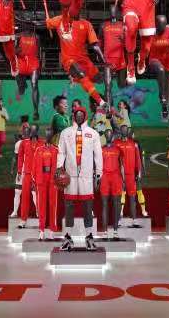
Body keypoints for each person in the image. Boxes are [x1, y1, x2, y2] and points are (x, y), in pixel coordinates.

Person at [57, 105, 103, 251]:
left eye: (81, 115)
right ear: (73, 116)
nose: (78, 117)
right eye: (76, 115)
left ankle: (89, 237)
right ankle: (67, 237)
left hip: (86, 175)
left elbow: (98, 154)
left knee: (87, 206)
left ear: (85, 116)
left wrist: (99, 173)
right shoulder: (65, 133)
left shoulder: (93, 133)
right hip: (70, 175)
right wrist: (59, 168)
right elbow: (61, 152)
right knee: (69, 205)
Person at [45, 13, 108, 106]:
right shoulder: (60, 19)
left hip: (84, 60)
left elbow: (94, 44)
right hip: (68, 59)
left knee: (99, 79)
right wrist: (47, 21)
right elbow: (48, 23)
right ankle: (101, 102)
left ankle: (76, 79)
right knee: (81, 75)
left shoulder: (86, 24)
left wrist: (104, 59)